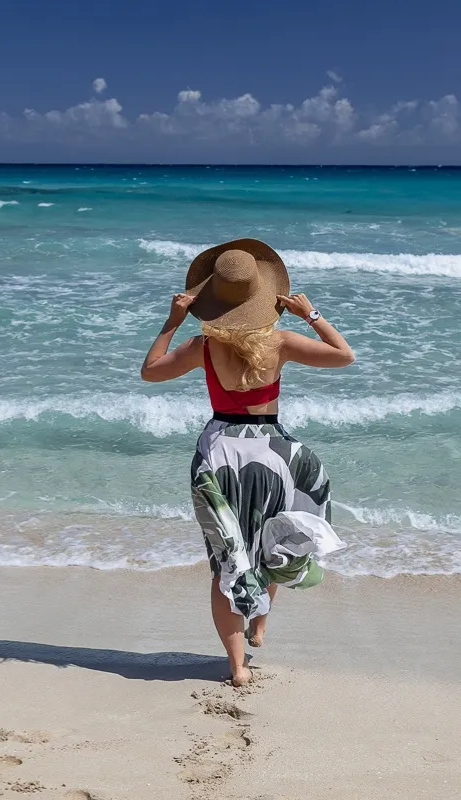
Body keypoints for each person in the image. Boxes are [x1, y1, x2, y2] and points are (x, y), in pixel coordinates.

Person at [140, 238, 355, 686]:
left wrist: (172, 321)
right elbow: (344, 356)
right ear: (264, 298)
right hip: (273, 455)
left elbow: (151, 370)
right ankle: (259, 624)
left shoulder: (202, 346)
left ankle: (237, 668)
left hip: (220, 455)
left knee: (227, 556)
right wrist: (310, 314)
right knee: (268, 539)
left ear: (212, 301)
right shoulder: (282, 342)